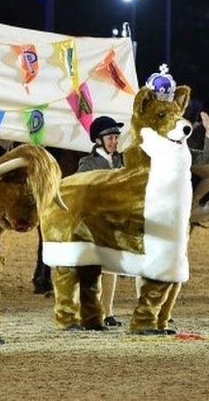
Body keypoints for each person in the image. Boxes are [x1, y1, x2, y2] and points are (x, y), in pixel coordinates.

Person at [77, 115, 125, 327]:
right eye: (111, 138)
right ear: (98, 140)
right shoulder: (87, 163)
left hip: (114, 220)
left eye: (116, 137)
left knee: (111, 267)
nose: (114, 142)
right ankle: (89, 313)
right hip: (93, 221)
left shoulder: (121, 160)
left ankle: (108, 312)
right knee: (92, 270)